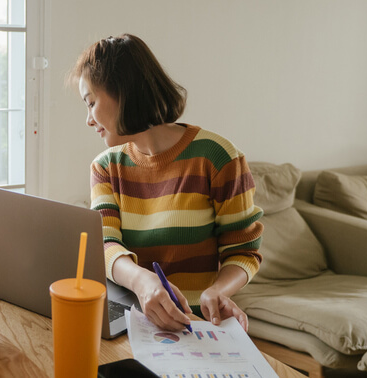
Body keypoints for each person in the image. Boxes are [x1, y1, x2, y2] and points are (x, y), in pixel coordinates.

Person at [69, 34, 263, 332]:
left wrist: (218, 291)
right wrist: (141, 280)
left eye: (91, 102)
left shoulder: (218, 158)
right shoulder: (105, 167)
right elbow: (106, 244)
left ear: (124, 93)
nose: (88, 119)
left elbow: (244, 250)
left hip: (196, 326)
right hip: (131, 325)